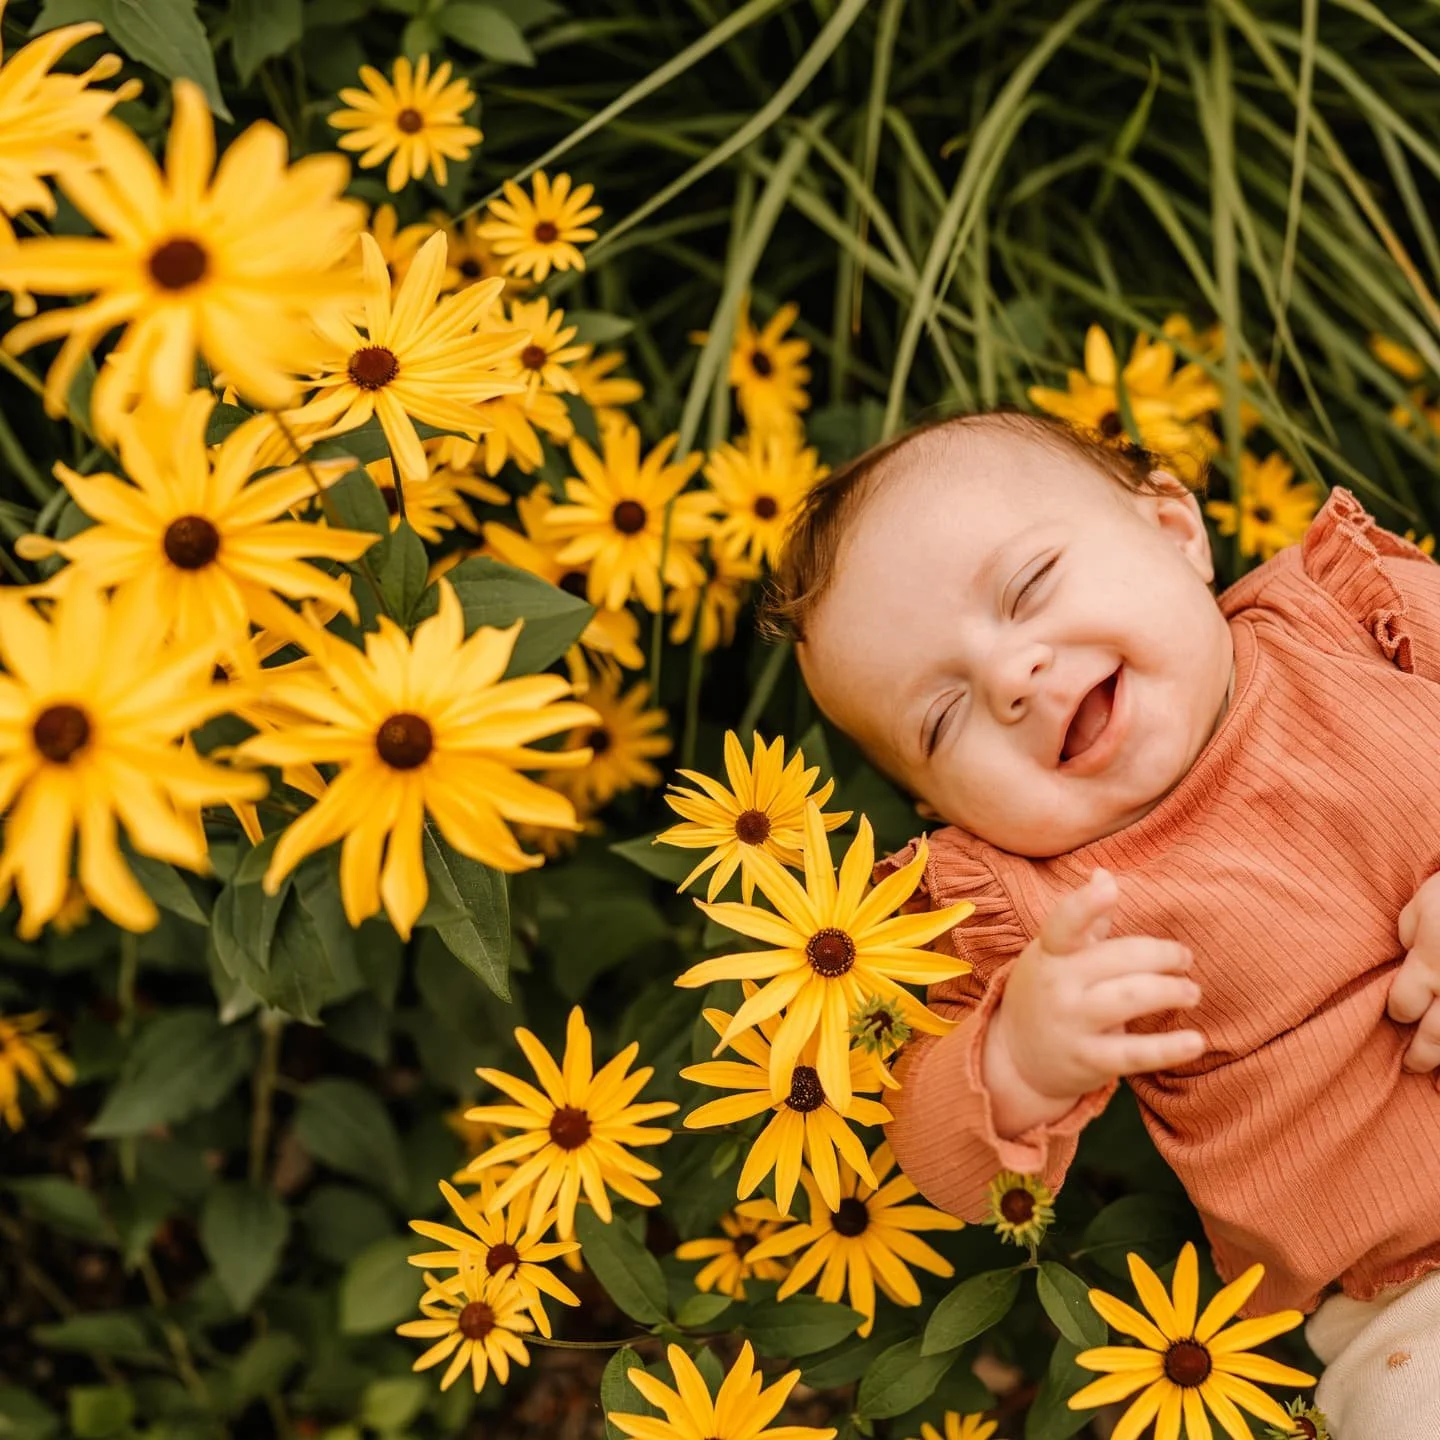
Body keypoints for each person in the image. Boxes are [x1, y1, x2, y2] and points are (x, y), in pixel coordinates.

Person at [762, 408, 1440, 1436]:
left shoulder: (1353, 618)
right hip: (1410, 1297)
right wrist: (1018, 1061)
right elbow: (935, 1153)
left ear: (1173, 530)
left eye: (1029, 586)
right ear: (942, 809)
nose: (1011, 676)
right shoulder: (1032, 912)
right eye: (942, 717)